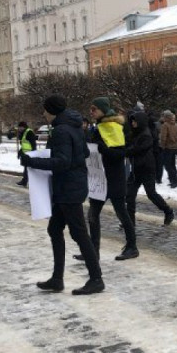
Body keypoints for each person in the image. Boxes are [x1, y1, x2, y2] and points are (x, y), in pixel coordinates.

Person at [22, 94, 104, 294]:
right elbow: (84, 153)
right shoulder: (75, 126)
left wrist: (32, 161)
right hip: (70, 186)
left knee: (79, 234)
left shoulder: (61, 130)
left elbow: (62, 162)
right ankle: (57, 279)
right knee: (54, 229)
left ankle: (96, 279)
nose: (43, 113)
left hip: (69, 188)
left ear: (51, 111)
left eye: (45, 109)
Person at [82, 97, 139, 261]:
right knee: (93, 215)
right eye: (90, 109)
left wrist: (103, 149)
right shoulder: (98, 127)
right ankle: (93, 251)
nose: (91, 112)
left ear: (103, 109)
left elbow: (121, 154)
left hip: (114, 178)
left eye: (94, 109)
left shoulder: (115, 127)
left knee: (122, 213)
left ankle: (132, 247)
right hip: (99, 178)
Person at [126, 110, 175, 227]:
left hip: (147, 169)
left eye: (134, 121)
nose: (133, 123)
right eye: (132, 121)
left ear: (140, 122)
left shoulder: (146, 135)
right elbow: (128, 144)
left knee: (151, 193)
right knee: (130, 195)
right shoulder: (135, 133)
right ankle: (129, 221)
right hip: (136, 169)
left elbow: (137, 149)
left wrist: (125, 151)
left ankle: (168, 211)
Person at [158, 110, 177, 188]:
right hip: (175, 147)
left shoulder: (165, 125)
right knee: (172, 164)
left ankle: (174, 181)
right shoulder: (176, 124)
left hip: (168, 147)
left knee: (168, 165)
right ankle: (175, 180)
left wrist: (162, 146)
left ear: (166, 117)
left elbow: (163, 137)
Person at [16, 121, 38, 187]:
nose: (19, 129)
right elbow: (23, 145)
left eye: (20, 127)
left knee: (28, 168)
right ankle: (25, 181)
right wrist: (20, 152)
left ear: (23, 127)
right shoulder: (23, 133)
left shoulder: (29, 132)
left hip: (30, 153)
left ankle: (26, 181)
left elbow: (33, 144)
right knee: (26, 167)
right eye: (19, 127)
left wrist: (34, 153)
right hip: (25, 153)